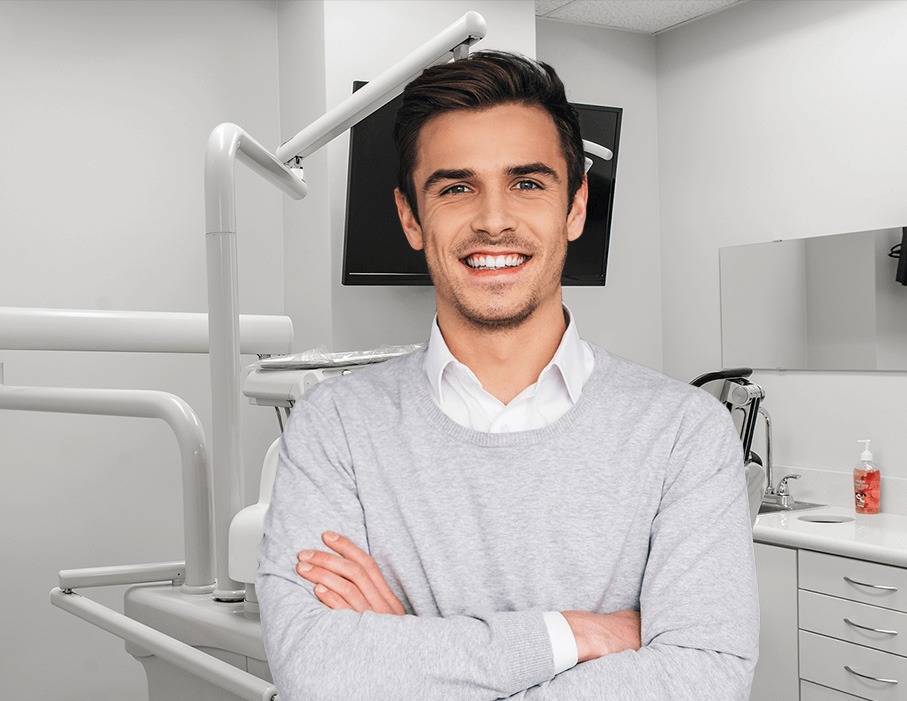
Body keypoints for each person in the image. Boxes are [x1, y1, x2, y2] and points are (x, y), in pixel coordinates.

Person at [257, 51, 759, 700]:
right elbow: (317, 671)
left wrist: (408, 655)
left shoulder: (683, 433)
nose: (493, 219)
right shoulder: (334, 428)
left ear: (575, 207)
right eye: (455, 186)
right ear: (411, 217)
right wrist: (572, 635)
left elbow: (704, 676)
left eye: (526, 182)